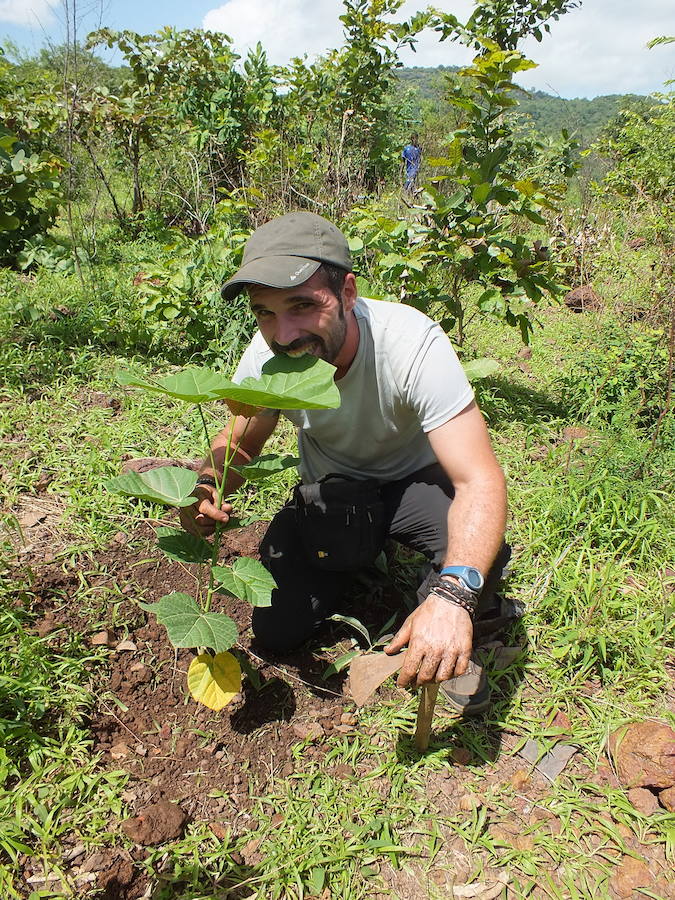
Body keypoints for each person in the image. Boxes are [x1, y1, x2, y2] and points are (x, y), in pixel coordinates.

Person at [181, 211, 509, 714]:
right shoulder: (265, 360)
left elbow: (479, 478)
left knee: (471, 557)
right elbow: (241, 444)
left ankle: (451, 624)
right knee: (277, 630)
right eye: (264, 312)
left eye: (302, 306)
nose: (284, 334)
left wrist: (455, 595)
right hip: (332, 490)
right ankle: (352, 561)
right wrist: (206, 486)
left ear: (348, 293)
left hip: (414, 483)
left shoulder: (411, 343)